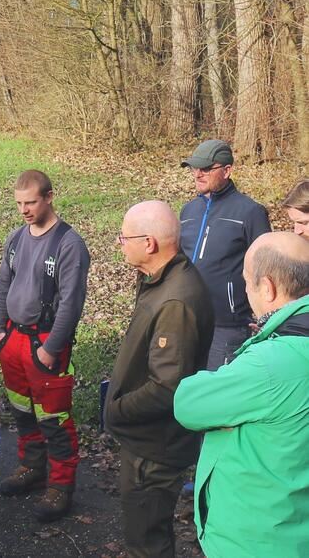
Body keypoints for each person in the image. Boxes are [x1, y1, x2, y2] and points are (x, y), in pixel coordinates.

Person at [175, 232, 309, 557]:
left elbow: (188, 403)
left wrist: (223, 384)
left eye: (247, 282)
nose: (246, 291)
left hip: (257, 540)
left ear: (267, 287)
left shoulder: (271, 363)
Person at [105, 201, 213, 558]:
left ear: (148, 243)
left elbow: (167, 387)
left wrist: (116, 411)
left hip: (154, 449)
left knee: (147, 542)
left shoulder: (176, 300)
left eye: (124, 237)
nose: (120, 242)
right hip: (149, 442)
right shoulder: (159, 279)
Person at [0, 170, 90, 522]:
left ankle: (61, 486)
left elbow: (71, 303)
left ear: (49, 197)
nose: (24, 210)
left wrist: (51, 349)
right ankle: (31, 468)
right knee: (22, 411)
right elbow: (4, 284)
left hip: (46, 344)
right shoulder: (16, 238)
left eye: (30, 202)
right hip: (13, 341)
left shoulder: (68, 244)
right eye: (19, 203)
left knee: (54, 418)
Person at [178, 139, 271, 369]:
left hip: (228, 326)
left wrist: (266, 318)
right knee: (187, 388)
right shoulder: (188, 210)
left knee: (218, 394)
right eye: (194, 168)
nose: (198, 174)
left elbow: (267, 269)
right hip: (185, 320)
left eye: (206, 168)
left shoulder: (250, 212)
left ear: (227, 170)